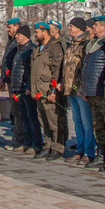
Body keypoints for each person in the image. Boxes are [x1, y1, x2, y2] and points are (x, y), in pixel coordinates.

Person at [80, 15, 105, 171]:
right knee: (98, 124)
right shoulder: (92, 43)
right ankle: (101, 153)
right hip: (91, 90)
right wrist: (83, 88)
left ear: (104, 27)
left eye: (96, 25)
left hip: (102, 90)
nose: (93, 27)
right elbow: (85, 68)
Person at [30, 21, 66, 160]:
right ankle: (47, 145)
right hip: (39, 91)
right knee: (43, 120)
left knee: (54, 121)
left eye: (36, 32)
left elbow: (57, 70)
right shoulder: (37, 49)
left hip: (48, 91)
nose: (35, 34)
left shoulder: (54, 47)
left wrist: (53, 90)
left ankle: (57, 147)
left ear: (45, 32)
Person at [61, 17, 94, 164]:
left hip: (80, 89)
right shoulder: (71, 44)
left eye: (72, 26)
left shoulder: (84, 44)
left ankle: (89, 151)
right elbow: (67, 66)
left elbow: (84, 68)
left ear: (80, 28)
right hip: (70, 89)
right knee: (77, 121)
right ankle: (80, 150)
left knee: (87, 122)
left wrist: (82, 87)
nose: (69, 29)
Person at [9, 26, 41, 154]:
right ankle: (26, 142)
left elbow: (31, 70)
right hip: (18, 88)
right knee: (23, 117)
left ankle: (36, 143)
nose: (16, 37)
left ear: (25, 35)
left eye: (18, 34)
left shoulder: (31, 49)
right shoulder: (19, 50)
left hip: (26, 88)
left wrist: (28, 86)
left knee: (32, 117)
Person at [0, 17, 25, 149]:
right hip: (10, 81)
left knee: (18, 111)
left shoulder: (18, 43)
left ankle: (19, 140)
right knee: (15, 111)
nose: (7, 30)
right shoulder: (11, 42)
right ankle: (17, 138)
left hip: (17, 82)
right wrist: (3, 78)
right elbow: (6, 61)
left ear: (16, 27)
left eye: (9, 27)